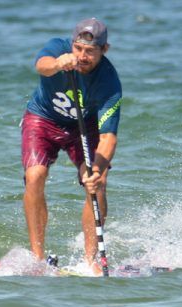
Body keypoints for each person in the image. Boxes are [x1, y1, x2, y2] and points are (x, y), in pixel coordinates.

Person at [21, 18, 122, 266]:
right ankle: (37, 258)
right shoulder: (57, 47)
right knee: (35, 176)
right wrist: (57, 64)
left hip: (83, 128)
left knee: (97, 183)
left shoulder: (109, 83)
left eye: (90, 51)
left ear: (104, 50)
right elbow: (41, 66)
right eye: (78, 49)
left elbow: (108, 137)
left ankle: (91, 260)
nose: (82, 56)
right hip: (42, 119)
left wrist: (96, 170)